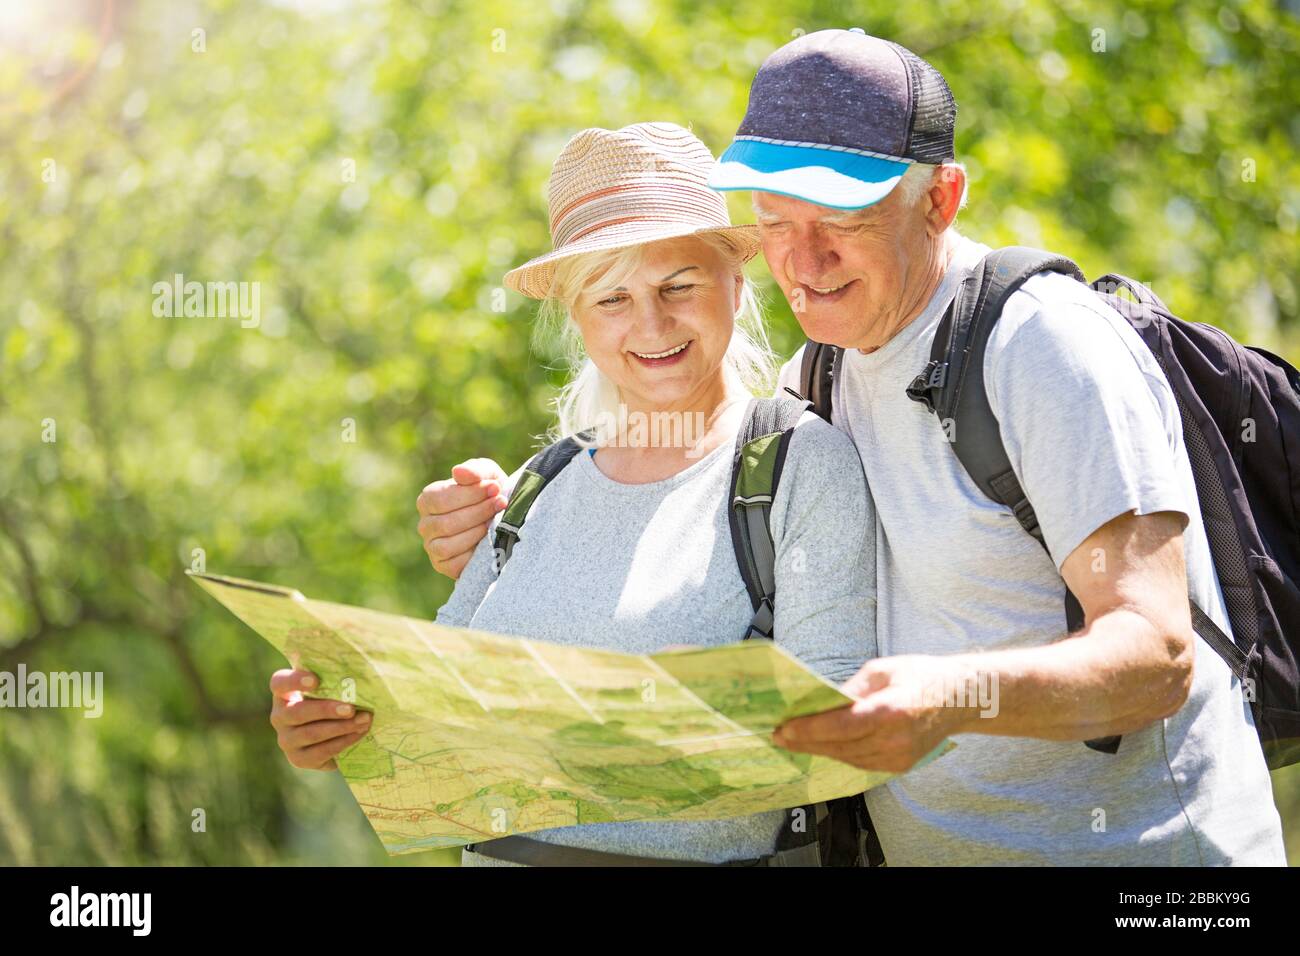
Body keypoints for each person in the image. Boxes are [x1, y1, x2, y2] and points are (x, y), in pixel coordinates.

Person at [422, 31, 1286, 865]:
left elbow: (1154, 656)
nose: (805, 261)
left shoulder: (1042, 346)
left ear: (941, 199)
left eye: (843, 216)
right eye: (776, 221)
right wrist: (504, 522)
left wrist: (952, 698)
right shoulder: (822, 375)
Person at [273, 122, 878, 866]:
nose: (650, 323)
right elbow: (440, 715)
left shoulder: (795, 465)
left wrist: (629, 725)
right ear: (576, 316)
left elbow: (845, 736)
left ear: (734, 277)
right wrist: (337, 729)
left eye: (677, 285)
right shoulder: (540, 487)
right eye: (612, 299)